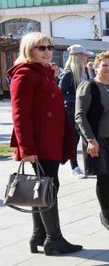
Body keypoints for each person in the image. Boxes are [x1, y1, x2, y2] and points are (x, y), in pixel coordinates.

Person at [8, 32, 82, 255]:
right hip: (39, 145)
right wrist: (27, 149)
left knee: (42, 188)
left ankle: (38, 236)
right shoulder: (25, 74)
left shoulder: (43, 74)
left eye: (49, 47)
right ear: (28, 50)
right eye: (41, 48)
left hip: (51, 141)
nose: (48, 51)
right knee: (48, 188)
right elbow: (19, 115)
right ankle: (54, 239)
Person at [75, 51, 109, 231]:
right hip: (98, 140)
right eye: (104, 65)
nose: (107, 68)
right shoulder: (88, 87)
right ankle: (105, 214)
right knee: (103, 177)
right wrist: (90, 140)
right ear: (96, 66)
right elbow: (80, 116)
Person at [59, 44, 94, 179]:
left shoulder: (85, 71)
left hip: (85, 111)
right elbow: (60, 93)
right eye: (85, 55)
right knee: (74, 139)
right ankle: (74, 167)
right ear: (79, 56)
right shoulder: (68, 73)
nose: (87, 57)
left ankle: (90, 165)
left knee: (88, 137)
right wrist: (78, 99)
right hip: (72, 112)